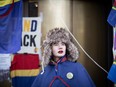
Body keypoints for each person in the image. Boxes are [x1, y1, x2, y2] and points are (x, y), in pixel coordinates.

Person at [31, 28, 96, 87]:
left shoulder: (77, 68)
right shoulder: (45, 71)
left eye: (63, 44)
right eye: (56, 44)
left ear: (67, 47)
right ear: (50, 48)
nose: (60, 47)